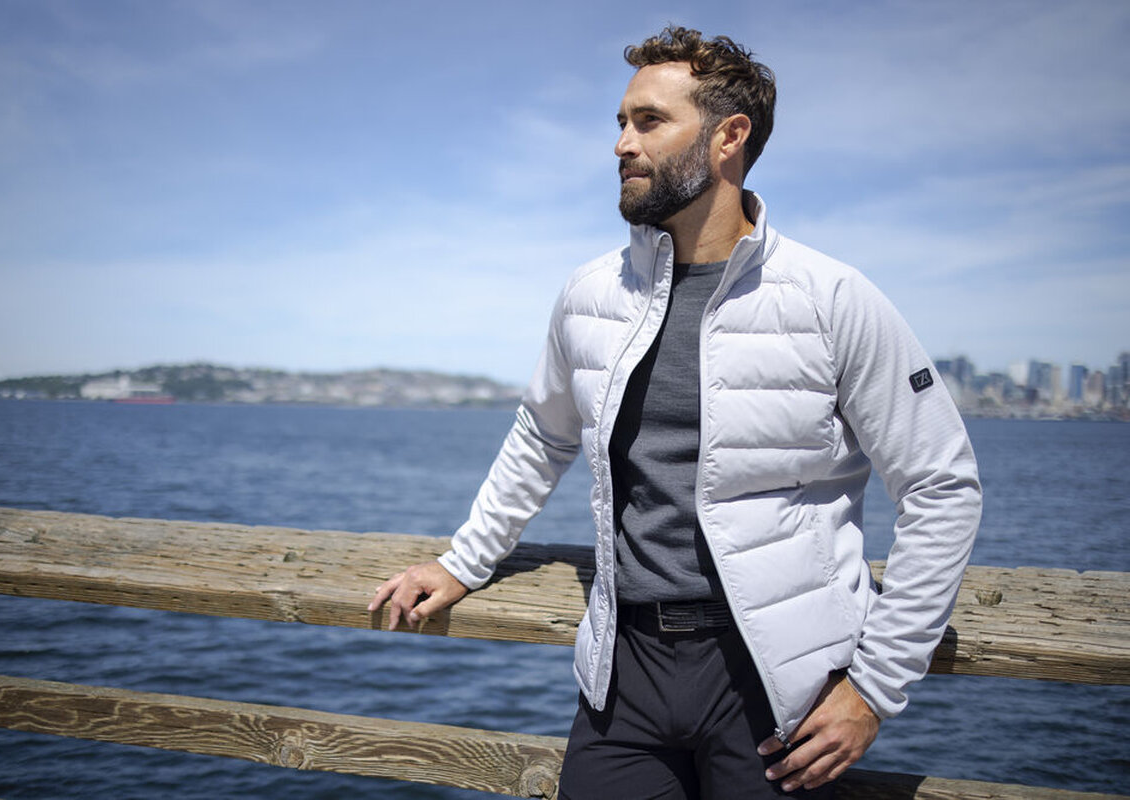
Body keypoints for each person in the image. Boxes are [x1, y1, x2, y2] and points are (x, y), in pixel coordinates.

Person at [369, 25, 981, 798]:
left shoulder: (831, 299)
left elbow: (941, 486)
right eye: (620, 122)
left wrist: (872, 689)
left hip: (777, 686)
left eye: (649, 121)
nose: (621, 143)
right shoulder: (592, 294)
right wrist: (465, 561)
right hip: (623, 671)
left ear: (729, 136)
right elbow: (541, 436)